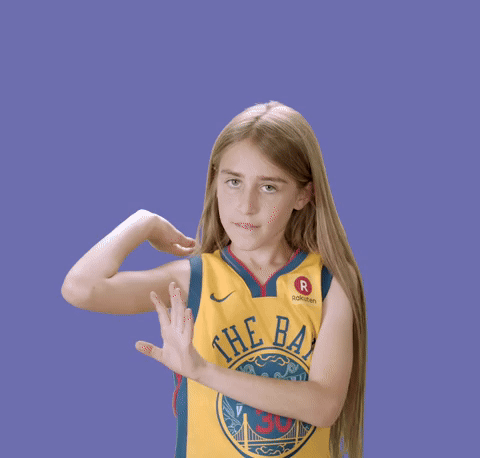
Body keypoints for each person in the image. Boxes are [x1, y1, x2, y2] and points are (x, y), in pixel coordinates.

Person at [62, 101, 367, 458]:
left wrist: (201, 371)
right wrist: (143, 222)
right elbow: (81, 289)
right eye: (234, 182)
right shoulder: (192, 279)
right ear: (214, 183)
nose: (246, 205)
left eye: (269, 187)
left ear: (303, 194)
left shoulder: (329, 281)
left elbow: (324, 406)